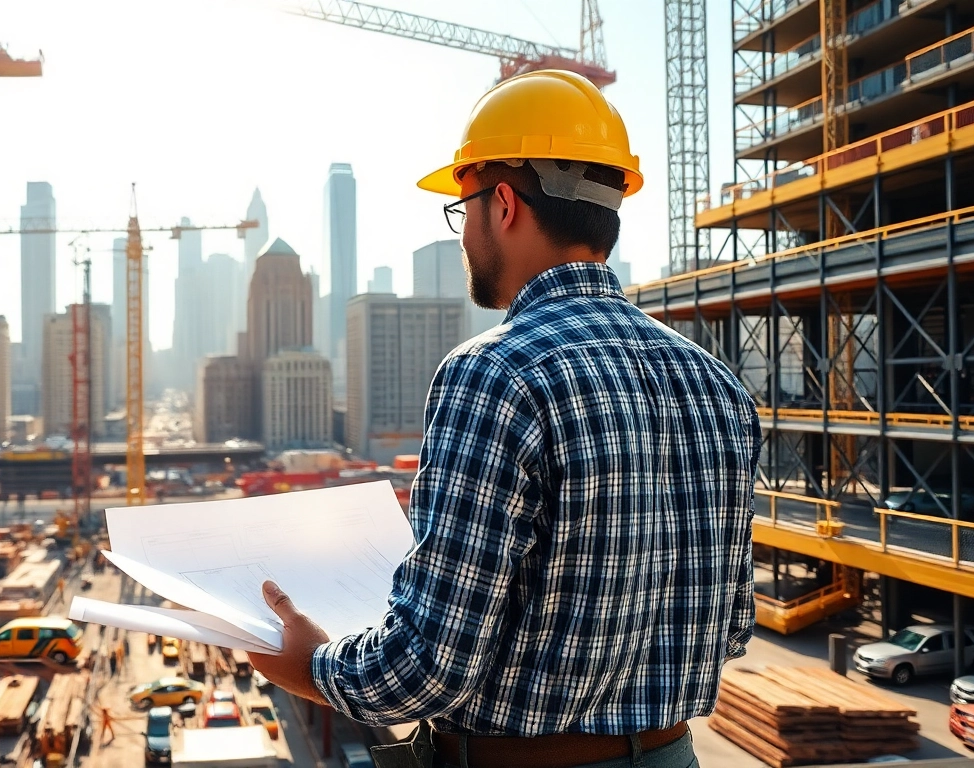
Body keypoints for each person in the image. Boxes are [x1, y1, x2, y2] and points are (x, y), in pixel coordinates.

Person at [248, 70, 761, 768]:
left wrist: (313, 664)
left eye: (463, 211)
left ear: (506, 205)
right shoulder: (718, 387)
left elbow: (424, 670)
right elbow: (727, 630)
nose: (464, 236)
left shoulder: (495, 374)